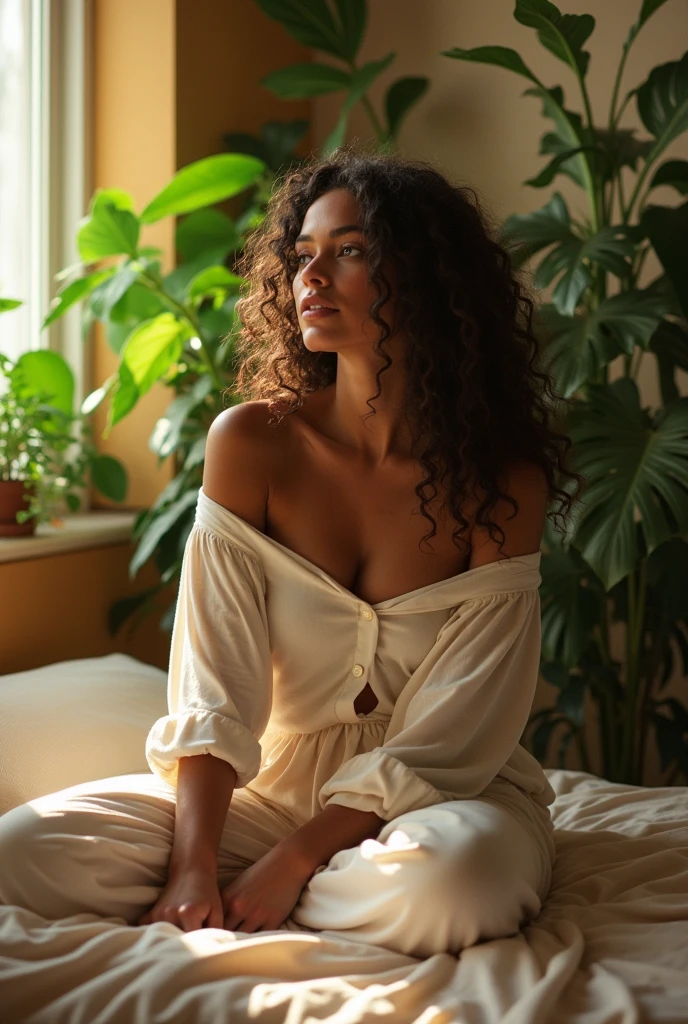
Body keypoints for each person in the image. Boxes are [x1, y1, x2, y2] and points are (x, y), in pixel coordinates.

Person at [0, 147, 584, 959]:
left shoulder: (499, 483)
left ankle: (294, 892)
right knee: (23, 852)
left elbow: (458, 728)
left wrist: (294, 859)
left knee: (452, 886)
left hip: (440, 798)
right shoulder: (254, 445)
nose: (312, 277)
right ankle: (281, 897)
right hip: (264, 794)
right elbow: (215, 684)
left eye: (348, 252)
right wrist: (193, 867)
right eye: (302, 255)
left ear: (426, 277)